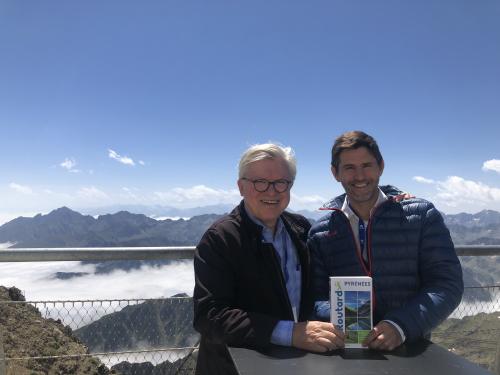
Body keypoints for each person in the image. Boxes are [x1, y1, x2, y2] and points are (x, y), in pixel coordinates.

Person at [193, 143, 343, 375]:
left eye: (281, 182)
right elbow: (210, 316)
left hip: (292, 363)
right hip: (232, 368)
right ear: (241, 187)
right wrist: (291, 333)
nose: (272, 191)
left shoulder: (301, 229)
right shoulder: (220, 239)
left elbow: (315, 291)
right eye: (260, 182)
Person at [308, 130, 463, 351]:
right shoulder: (321, 231)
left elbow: (447, 284)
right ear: (335, 173)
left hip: (410, 345)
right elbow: (315, 295)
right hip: (347, 347)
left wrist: (399, 326)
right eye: (349, 168)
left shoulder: (421, 216)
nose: (360, 176)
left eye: (367, 165)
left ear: (381, 166)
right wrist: (343, 318)